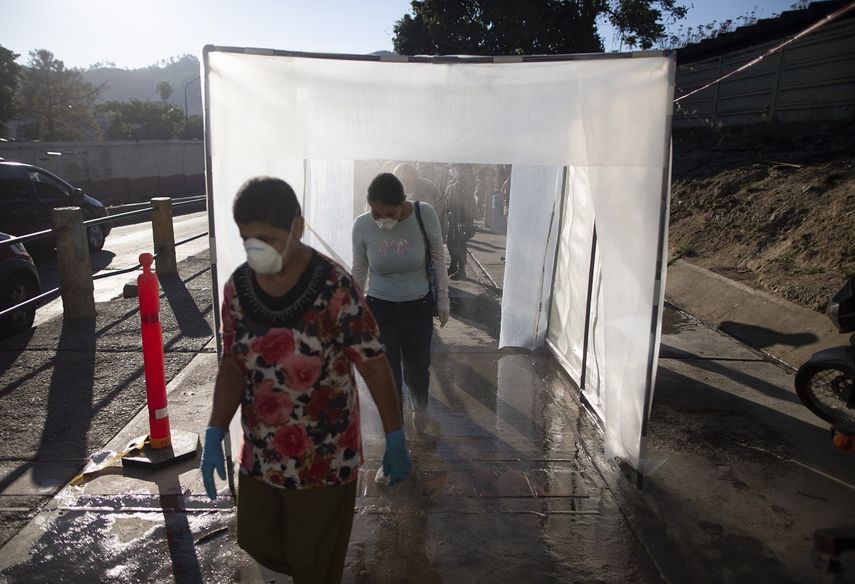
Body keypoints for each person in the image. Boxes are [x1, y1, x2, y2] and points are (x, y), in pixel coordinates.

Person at [200, 177, 411, 584]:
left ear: (297, 228)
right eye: (247, 239)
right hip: (262, 453)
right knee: (255, 539)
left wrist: (395, 435)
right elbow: (232, 364)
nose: (255, 248)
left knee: (313, 567)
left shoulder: (333, 287)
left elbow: (372, 363)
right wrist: (214, 427)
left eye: (268, 238)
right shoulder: (238, 289)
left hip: (324, 458)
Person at [351, 173, 450, 414]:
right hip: (380, 307)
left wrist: (444, 300)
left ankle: (420, 408)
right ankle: (396, 429)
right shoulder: (362, 225)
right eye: (376, 214)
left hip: (418, 305)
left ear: (402, 202)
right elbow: (359, 269)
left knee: (417, 369)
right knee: (388, 371)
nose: (382, 220)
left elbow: (438, 258)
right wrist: (353, 309)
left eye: (390, 214)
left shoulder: (423, 214)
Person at [393, 163, 448, 240]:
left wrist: (439, 233)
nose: (406, 183)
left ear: (415, 176)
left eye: (408, 179)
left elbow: (440, 211)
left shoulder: (428, 188)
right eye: (402, 180)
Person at [444, 164, 476, 280]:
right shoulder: (454, 181)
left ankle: (461, 271)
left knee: (460, 246)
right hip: (453, 219)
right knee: (451, 244)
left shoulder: (463, 183)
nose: (450, 170)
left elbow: (468, 203)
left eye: (452, 168)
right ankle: (453, 266)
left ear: (458, 169)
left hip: (460, 219)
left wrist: (466, 220)